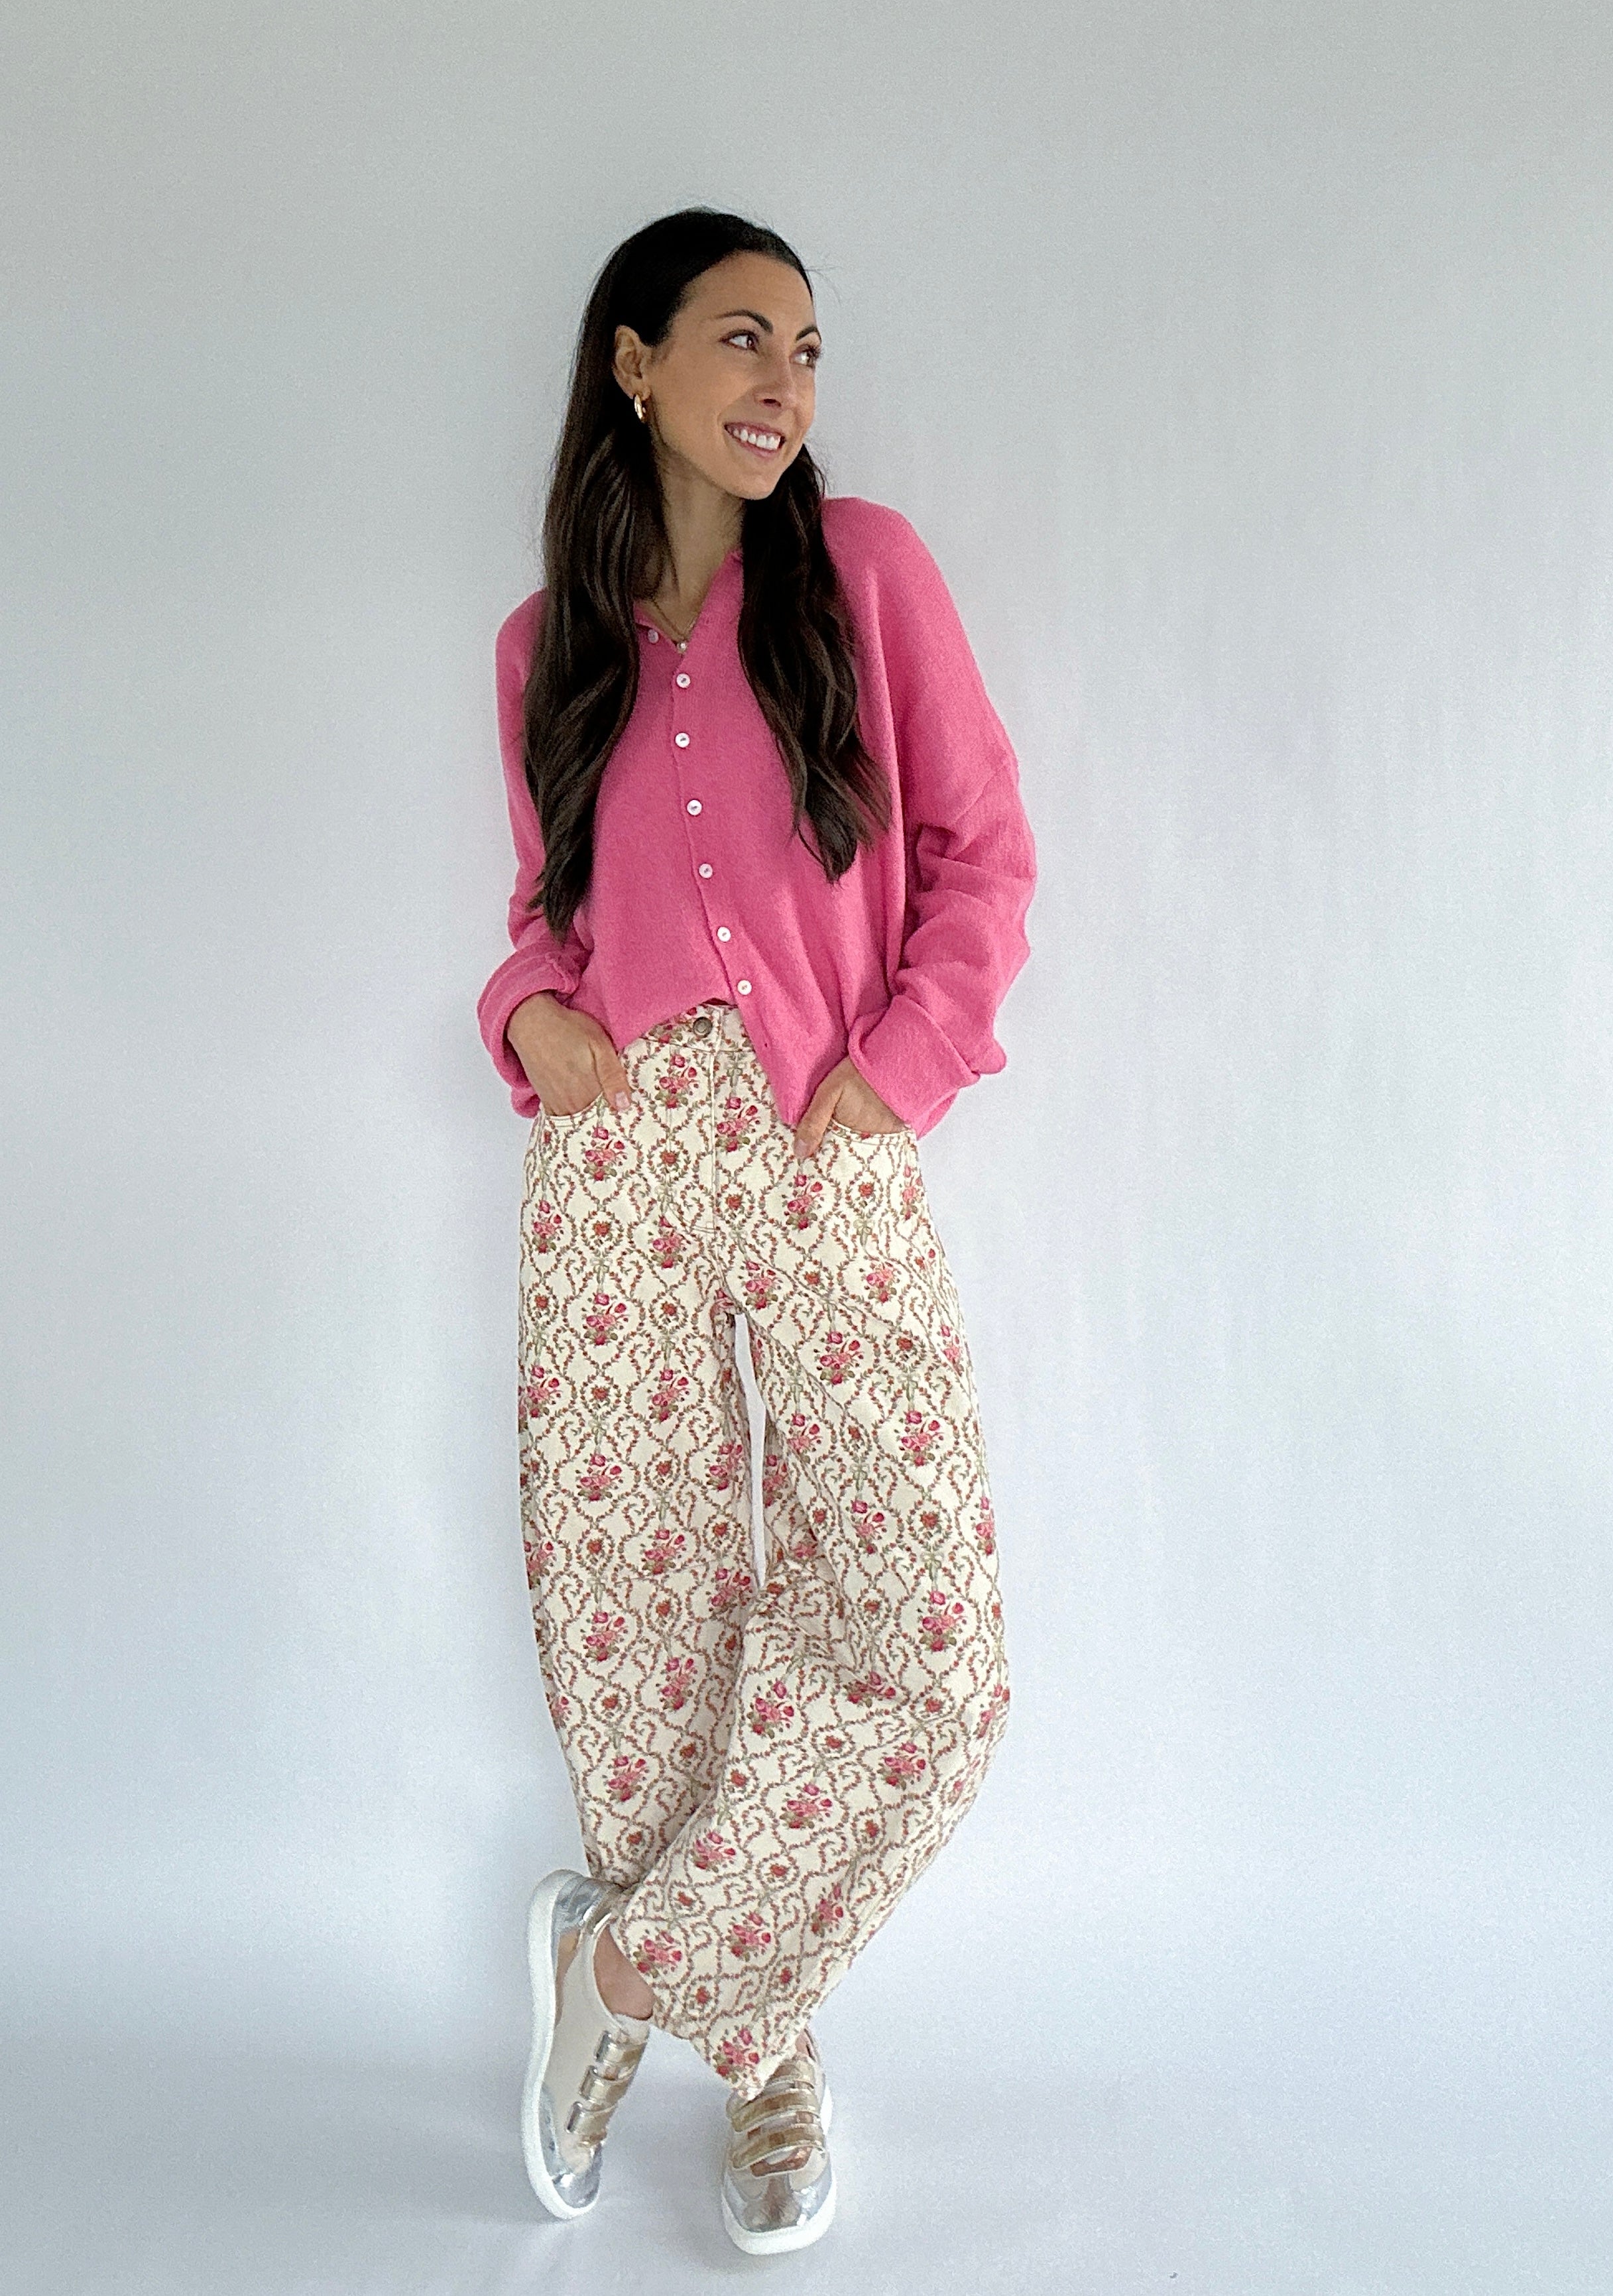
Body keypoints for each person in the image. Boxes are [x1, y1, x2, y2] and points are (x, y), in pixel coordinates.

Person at [475, 205, 1037, 2256]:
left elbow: (980, 850)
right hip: (616, 1137)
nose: (782, 383)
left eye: (804, 349)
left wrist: (901, 1061)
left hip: (821, 1120)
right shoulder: (544, 647)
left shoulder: (861, 573)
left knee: (929, 1654)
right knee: (640, 1599)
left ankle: (627, 1971)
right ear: (634, 365)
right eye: (738, 338)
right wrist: (524, 1013)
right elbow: (538, 913)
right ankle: (766, 2051)